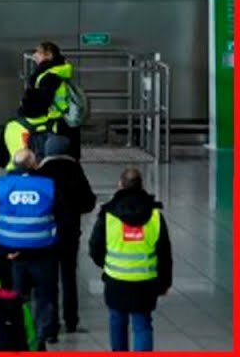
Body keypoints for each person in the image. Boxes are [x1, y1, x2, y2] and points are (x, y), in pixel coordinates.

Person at [0, 149, 62, 348]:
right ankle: (44, 334)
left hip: (10, 252)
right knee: (45, 294)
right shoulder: (48, 185)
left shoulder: (1, 184)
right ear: (34, 164)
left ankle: (17, 330)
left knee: (15, 294)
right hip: (43, 250)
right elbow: (63, 215)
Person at [89, 167, 172, 353]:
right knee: (142, 324)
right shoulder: (155, 216)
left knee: (117, 320)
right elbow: (165, 254)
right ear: (141, 185)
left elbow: (95, 248)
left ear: (120, 186)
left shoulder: (108, 215)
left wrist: (108, 264)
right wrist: (165, 282)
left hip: (116, 280)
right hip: (146, 281)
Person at [36, 134, 95, 335]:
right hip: (70, 232)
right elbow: (89, 202)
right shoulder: (75, 170)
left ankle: (50, 324)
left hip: (46, 232)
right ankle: (71, 321)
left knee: (48, 278)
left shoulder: (41, 172)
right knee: (69, 276)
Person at [27, 41, 81, 154]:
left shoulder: (50, 75)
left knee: (53, 157)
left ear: (49, 55)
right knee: (68, 157)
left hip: (54, 123)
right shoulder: (58, 70)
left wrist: (25, 109)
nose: (35, 55)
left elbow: (42, 100)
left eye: (39, 53)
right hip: (64, 119)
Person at [0, 87, 60, 171]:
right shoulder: (56, 125)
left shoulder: (11, 126)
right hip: (48, 174)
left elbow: (1, 159)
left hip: (17, 174)